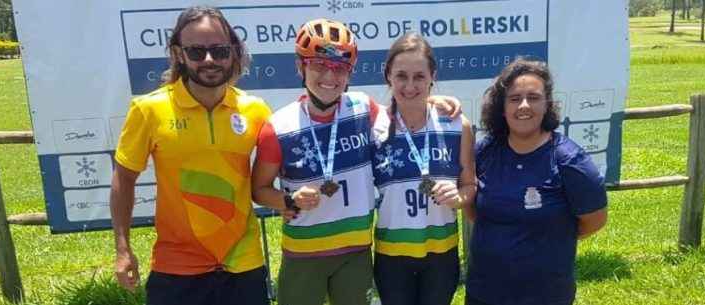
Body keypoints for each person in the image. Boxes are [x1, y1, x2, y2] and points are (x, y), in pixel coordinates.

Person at [251, 19, 460, 305]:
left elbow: (405, 108)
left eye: (339, 68)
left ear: (349, 73)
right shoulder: (278, 127)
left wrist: (436, 100)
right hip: (304, 254)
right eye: (318, 65)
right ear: (301, 67)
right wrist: (287, 201)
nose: (329, 76)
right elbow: (259, 189)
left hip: (356, 254)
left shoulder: (363, 108)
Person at [109, 6, 274, 305]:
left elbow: (273, 179)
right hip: (177, 268)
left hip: (243, 264)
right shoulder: (149, 110)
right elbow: (124, 178)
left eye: (219, 51)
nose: (209, 60)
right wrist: (123, 248)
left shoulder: (256, 110)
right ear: (178, 54)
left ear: (233, 51)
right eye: (196, 52)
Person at [465, 59, 608, 305]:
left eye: (533, 97)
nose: (523, 106)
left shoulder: (569, 160)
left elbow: (594, 220)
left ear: (547, 105)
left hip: (545, 294)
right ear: (501, 107)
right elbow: (473, 208)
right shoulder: (484, 152)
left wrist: (549, 239)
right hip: (484, 291)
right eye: (514, 98)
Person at [370, 33, 476, 305]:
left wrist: (459, 197)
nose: (409, 85)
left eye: (419, 76)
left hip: (441, 253)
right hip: (392, 255)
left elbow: (469, 185)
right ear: (388, 76)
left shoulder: (456, 125)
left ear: (432, 77)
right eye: (401, 76)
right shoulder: (373, 126)